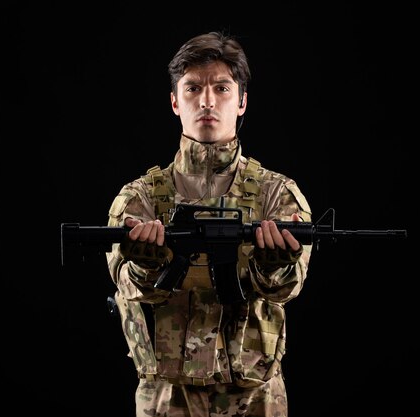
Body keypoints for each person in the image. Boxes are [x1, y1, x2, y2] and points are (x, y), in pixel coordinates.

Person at [106, 31, 313, 417]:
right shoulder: (141, 197)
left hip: (254, 397)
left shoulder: (276, 193)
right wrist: (145, 264)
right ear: (174, 101)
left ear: (242, 101)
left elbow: (290, 286)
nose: (206, 101)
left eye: (222, 88)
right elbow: (125, 283)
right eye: (192, 88)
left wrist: (274, 264)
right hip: (166, 397)